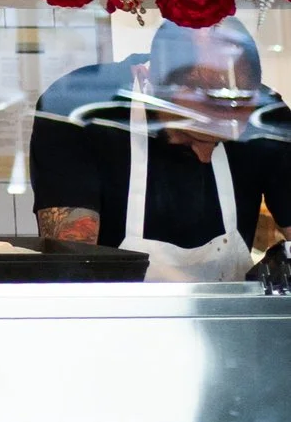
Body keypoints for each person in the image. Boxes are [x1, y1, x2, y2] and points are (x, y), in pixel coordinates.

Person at [30, 20, 291, 278]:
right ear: (148, 85)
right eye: (190, 137)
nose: (205, 156)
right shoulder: (76, 110)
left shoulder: (269, 119)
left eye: (223, 139)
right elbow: (74, 267)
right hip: (114, 313)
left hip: (228, 315)